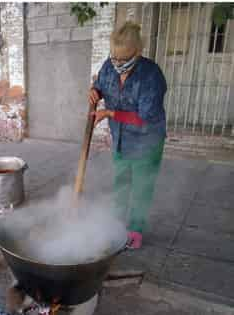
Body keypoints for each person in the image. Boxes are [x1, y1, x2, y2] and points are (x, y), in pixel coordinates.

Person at [88, 22, 167, 249]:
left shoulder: (151, 76)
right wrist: (95, 91)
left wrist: (110, 112)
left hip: (147, 141)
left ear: (137, 52)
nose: (118, 63)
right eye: (114, 57)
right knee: (121, 182)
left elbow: (146, 117)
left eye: (124, 59)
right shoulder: (109, 66)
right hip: (121, 139)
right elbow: (101, 84)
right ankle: (115, 224)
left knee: (142, 187)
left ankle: (135, 230)